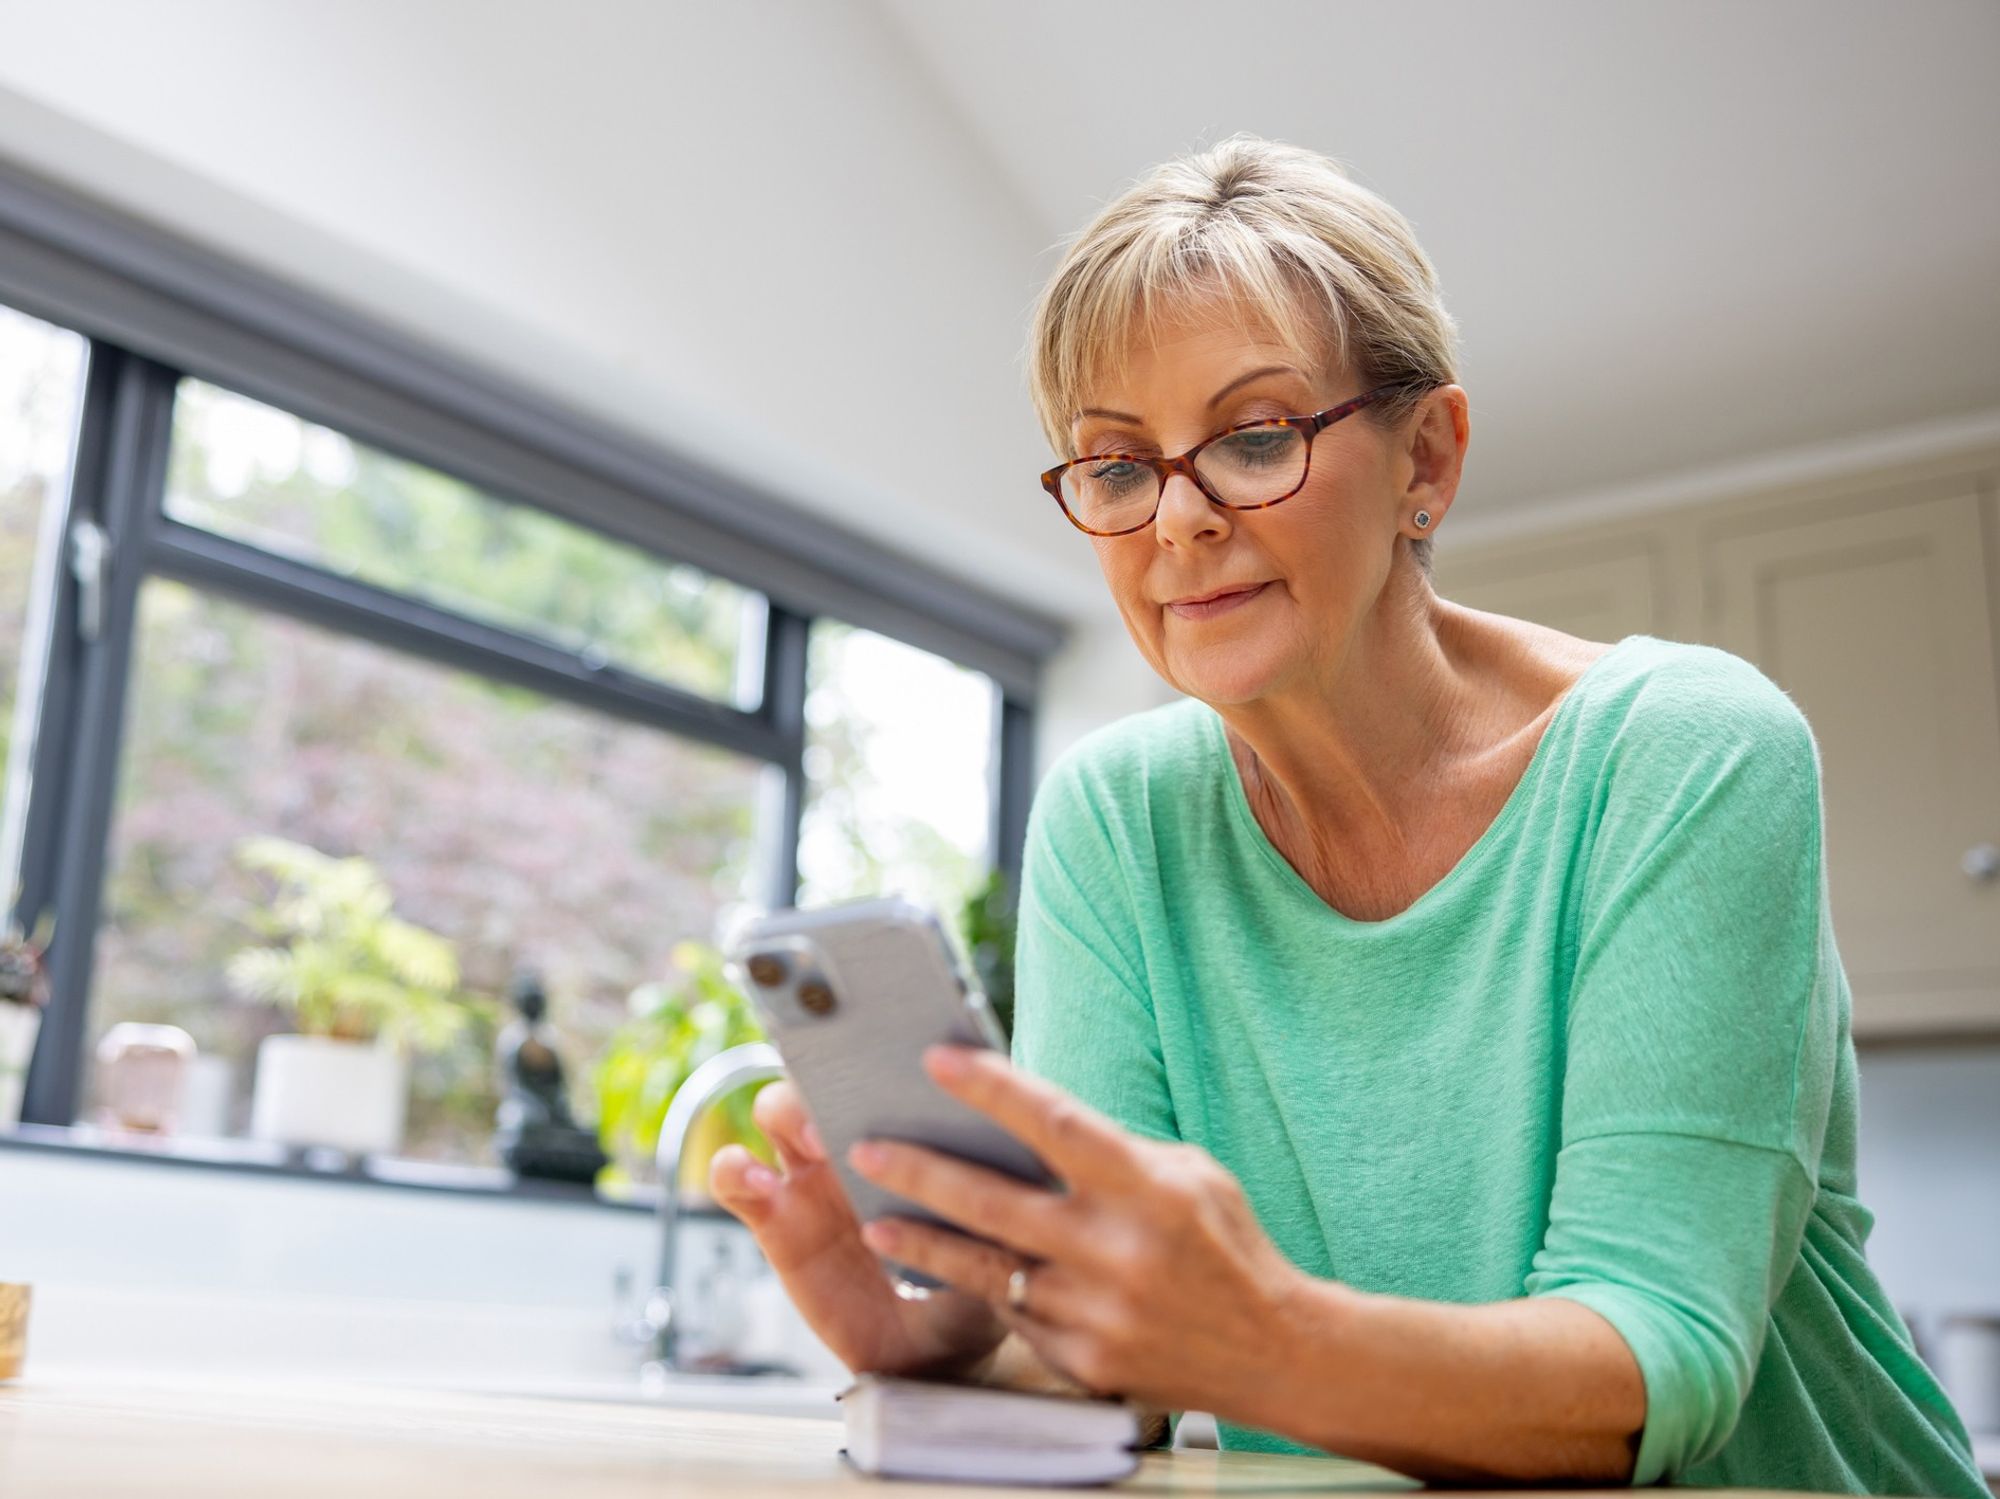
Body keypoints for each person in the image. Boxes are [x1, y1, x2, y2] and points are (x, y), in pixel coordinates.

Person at [710, 134, 1987, 1495]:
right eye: (1119, 464)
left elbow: (1648, 1370)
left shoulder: (1687, 757)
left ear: (1425, 455)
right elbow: (1129, 1369)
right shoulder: (1116, 822)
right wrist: (953, 1350)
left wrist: (1253, 1341)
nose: (1177, 522)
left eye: (1255, 439)